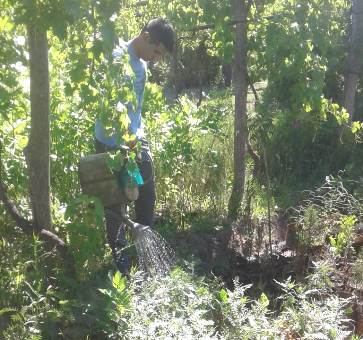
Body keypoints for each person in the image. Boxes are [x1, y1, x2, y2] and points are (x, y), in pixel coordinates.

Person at [94, 18, 175, 274]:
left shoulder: (141, 64)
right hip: (110, 142)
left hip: (134, 140)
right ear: (146, 36)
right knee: (114, 204)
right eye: (157, 52)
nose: (157, 59)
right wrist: (125, 142)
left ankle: (145, 254)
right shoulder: (118, 58)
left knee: (147, 191)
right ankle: (122, 266)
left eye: (161, 55)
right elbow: (112, 108)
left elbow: (134, 109)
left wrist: (137, 137)